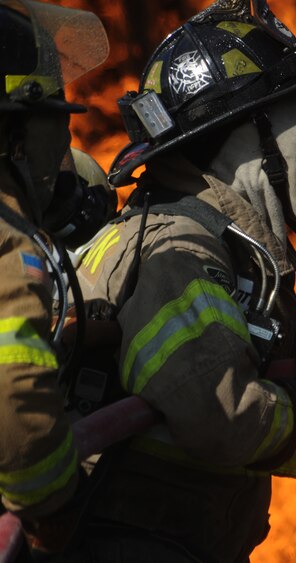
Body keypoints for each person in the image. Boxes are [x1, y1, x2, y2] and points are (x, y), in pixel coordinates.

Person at [64, 0, 296, 561]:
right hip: (138, 543)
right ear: (250, 143)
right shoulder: (177, 251)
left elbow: (240, 340)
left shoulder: (215, 240)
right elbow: (219, 415)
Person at [0, 0, 108, 555]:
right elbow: (13, 394)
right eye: (53, 125)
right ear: (14, 132)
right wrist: (56, 510)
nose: (64, 146)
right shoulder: (10, 243)